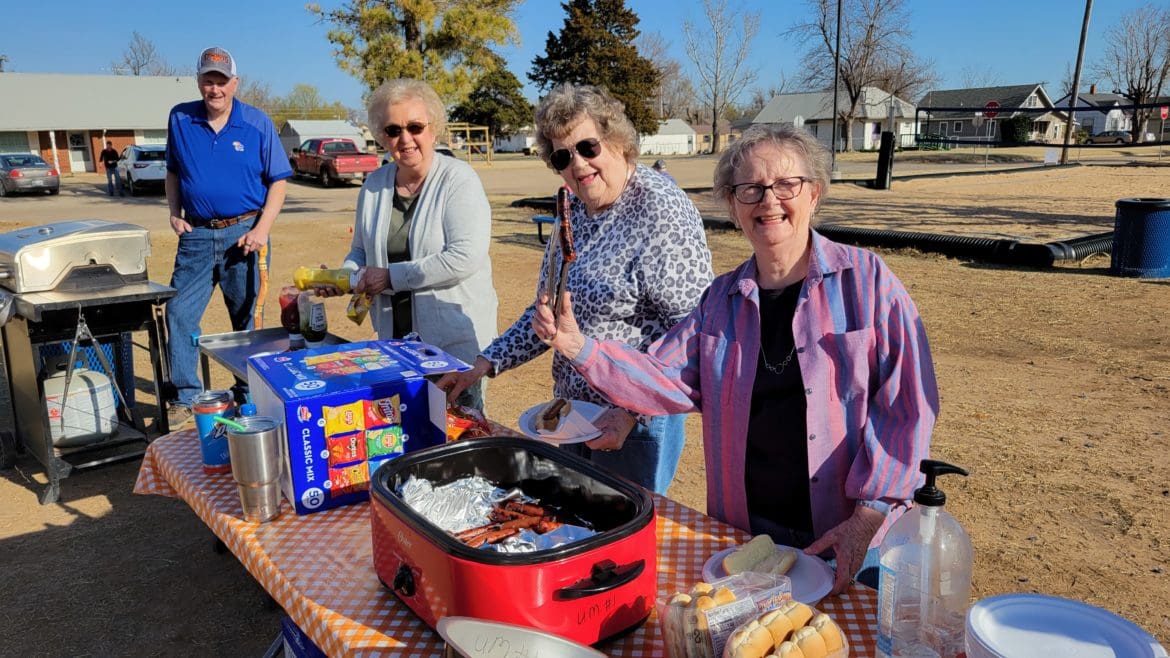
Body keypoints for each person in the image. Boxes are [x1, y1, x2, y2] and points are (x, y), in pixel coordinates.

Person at [533, 124, 938, 594]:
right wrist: (579, 347)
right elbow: (663, 377)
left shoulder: (868, 282)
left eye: (786, 185)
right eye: (750, 189)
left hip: (848, 533)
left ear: (814, 194)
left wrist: (867, 517)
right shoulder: (721, 300)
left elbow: (907, 407)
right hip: (747, 534)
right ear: (733, 205)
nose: (768, 201)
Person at [438, 84, 713, 494]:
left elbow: (691, 331)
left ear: (618, 140)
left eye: (588, 147)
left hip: (632, 424)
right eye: (563, 156)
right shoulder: (573, 207)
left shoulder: (660, 210)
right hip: (570, 414)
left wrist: (629, 411)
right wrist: (483, 364)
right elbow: (547, 315)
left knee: (623, 535)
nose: (578, 164)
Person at [318, 79, 497, 412]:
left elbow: (464, 257)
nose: (405, 139)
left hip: (452, 351)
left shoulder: (459, 179)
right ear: (381, 135)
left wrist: (389, 278)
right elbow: (360, 250)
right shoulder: (374, 184)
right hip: (394, 346)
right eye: (393, 129)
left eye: (415, 126)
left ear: (434, 129)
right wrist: (345, 278)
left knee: (457, 442)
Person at [163, 47, 291, 427]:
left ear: (235, 83)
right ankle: (185, 397)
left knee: (247, 319)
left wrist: (262, 229)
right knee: (179, 312)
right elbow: (172, 171)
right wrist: (174, 213)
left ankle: (249, 393)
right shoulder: (180, 118)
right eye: (208, 80)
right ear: (199, 81)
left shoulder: (257, 123)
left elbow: (278, 181)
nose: (214, 88)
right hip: (197, 236)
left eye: (222, 80)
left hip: (245, 233)